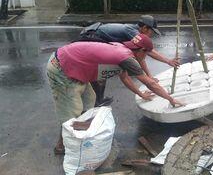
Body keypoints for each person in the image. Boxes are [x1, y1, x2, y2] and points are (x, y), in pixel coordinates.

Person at [46, 34, 183, 154]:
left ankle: (81, 134)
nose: (145, 57)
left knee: (90, 100)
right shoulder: (126, 58)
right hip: (61, 68)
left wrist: (141, 94)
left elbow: (125, 78)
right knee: (72, 110)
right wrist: (170, 99)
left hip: (74, 66)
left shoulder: (123, 51)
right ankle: (61, 146)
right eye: (146, 54)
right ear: (141, 50)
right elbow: (150, 83)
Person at [78, 15, 180, 106]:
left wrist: (149, 77)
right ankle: (97, 102)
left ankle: (97, 100)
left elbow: (140, 57)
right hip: (90, 38)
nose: (151, 35)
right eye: (151, 32)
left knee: (106, 70)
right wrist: (167, 62)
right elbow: (146, 53)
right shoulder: (134, 33)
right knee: (99, 73)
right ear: (144, 28)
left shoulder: (131, 40)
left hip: (97, 40)